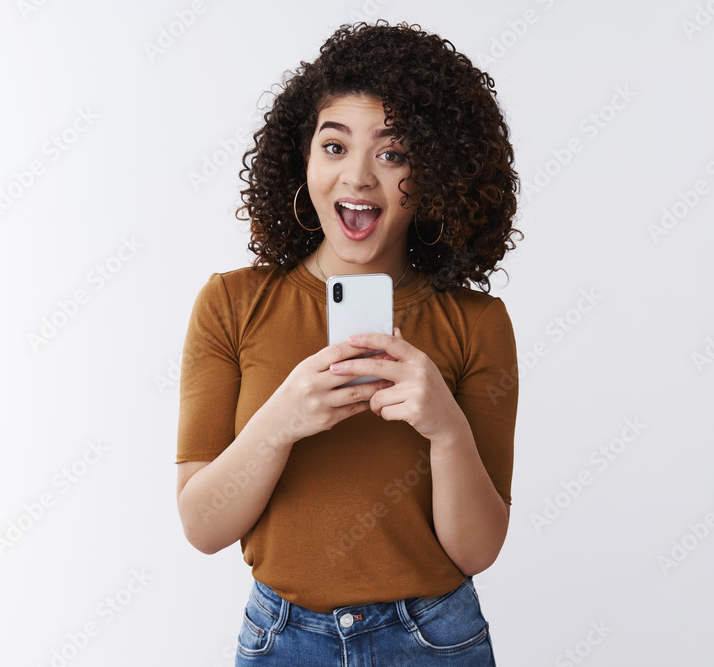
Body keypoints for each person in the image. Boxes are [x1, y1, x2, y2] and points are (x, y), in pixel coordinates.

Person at [176, 19, 522, 665]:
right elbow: (202, 525)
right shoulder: (232, 303)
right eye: (334, 146)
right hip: (282, 638)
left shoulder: (477, 322)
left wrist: (446, 427)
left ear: (438, 173)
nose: (358, 176)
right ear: (302, 157)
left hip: (434, 638)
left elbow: (477, 549)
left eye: (393, 153)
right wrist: (279, 422)